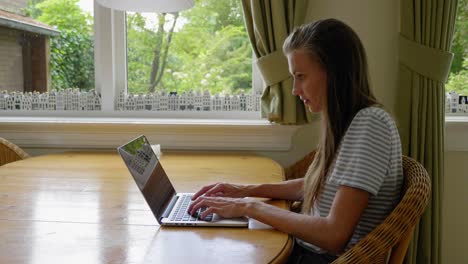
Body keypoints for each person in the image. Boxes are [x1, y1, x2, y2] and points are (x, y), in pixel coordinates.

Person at [188, 18, 403, 264]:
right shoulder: (351, 122)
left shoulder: (371, 125)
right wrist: (245, 191)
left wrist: (249, 207)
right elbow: (316, 185)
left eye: (300, 76)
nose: (294, 90)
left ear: (334, 73)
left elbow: (334, 235)